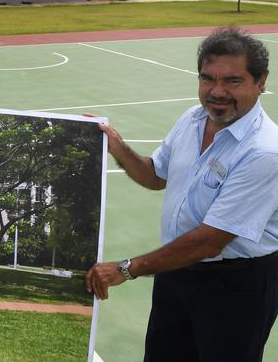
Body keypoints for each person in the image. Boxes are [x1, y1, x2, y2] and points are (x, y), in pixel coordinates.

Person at [86, 27, 278, 362]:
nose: (217, 92)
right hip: (176, 271)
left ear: (260, 82)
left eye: (233, 81)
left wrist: (127, 268)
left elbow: (210, 241)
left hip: (236, 285)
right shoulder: (192, 119)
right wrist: (116, 145)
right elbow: (154, 175)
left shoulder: (264, 152)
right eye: (208, 79)